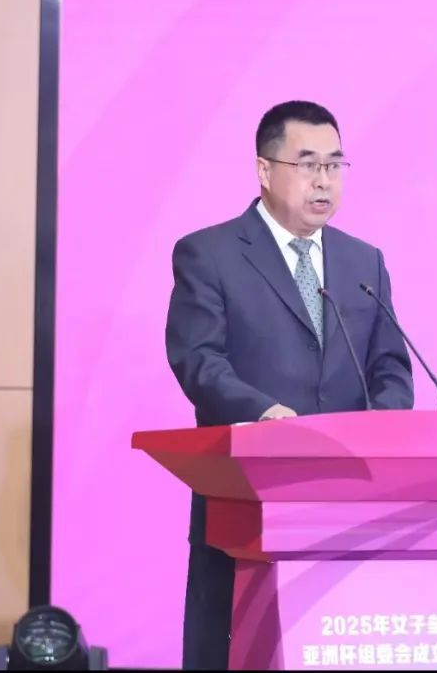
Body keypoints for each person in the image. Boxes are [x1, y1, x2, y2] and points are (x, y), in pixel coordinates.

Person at [165, 99, 415, 669]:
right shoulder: (210, 253)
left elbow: (391, 365)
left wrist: (382, 425)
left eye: (334, 165)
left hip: (351, 501)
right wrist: (263, 412)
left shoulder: (364, 262)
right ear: (264, 168)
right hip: (247, 496)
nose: (323, 180)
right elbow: (198, 360)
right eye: (307, 164)